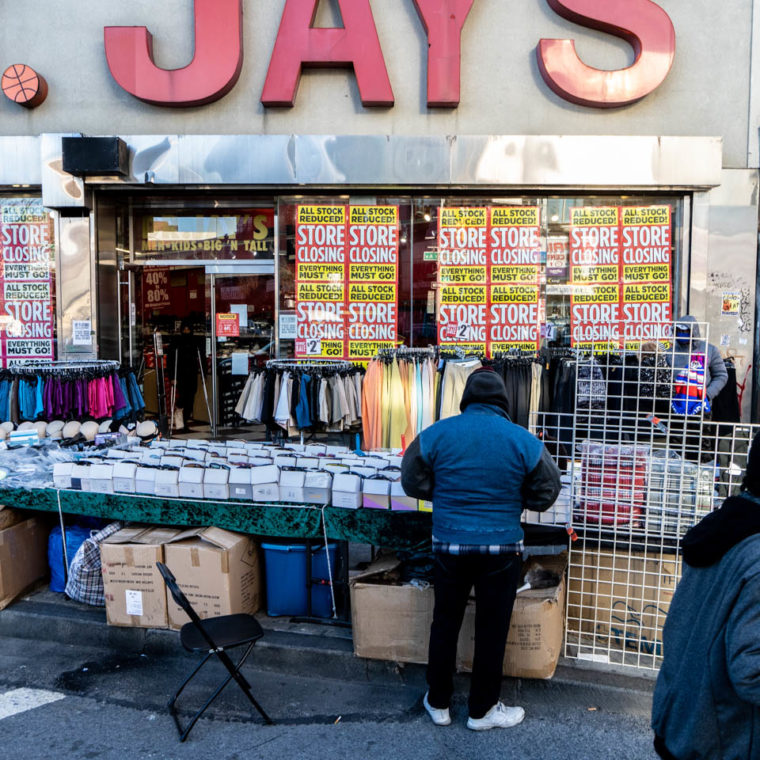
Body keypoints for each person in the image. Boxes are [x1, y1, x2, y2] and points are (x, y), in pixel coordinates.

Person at [401, 367, 561, 730]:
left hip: (449, 544)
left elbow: (411, 480)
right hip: (501, 548)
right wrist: (515, 497)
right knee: (492, 628)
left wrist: (441, 493)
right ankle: (483, 711)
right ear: (503, 402)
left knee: (445, 622)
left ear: (466, 399)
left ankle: (438, 702)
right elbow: (548, 491)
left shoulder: (438, 433)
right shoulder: (523, 440)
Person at [651, 431, 760, 759]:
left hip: (683, 721)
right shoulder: (755, 554)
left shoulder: (725, 528)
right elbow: (750, 671)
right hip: (722, 740)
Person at [168, 318, 206, 432]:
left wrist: (203, 373)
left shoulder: (195, 341)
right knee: (183, 397)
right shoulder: (176, 342)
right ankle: (179, 414)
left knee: (190, 399)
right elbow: (171, 360)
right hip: (180, 374)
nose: (186, 331)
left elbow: (202, 357)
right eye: (184, 329)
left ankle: (184, 422)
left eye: (188, 329)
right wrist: (172, 377)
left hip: (192, 374)